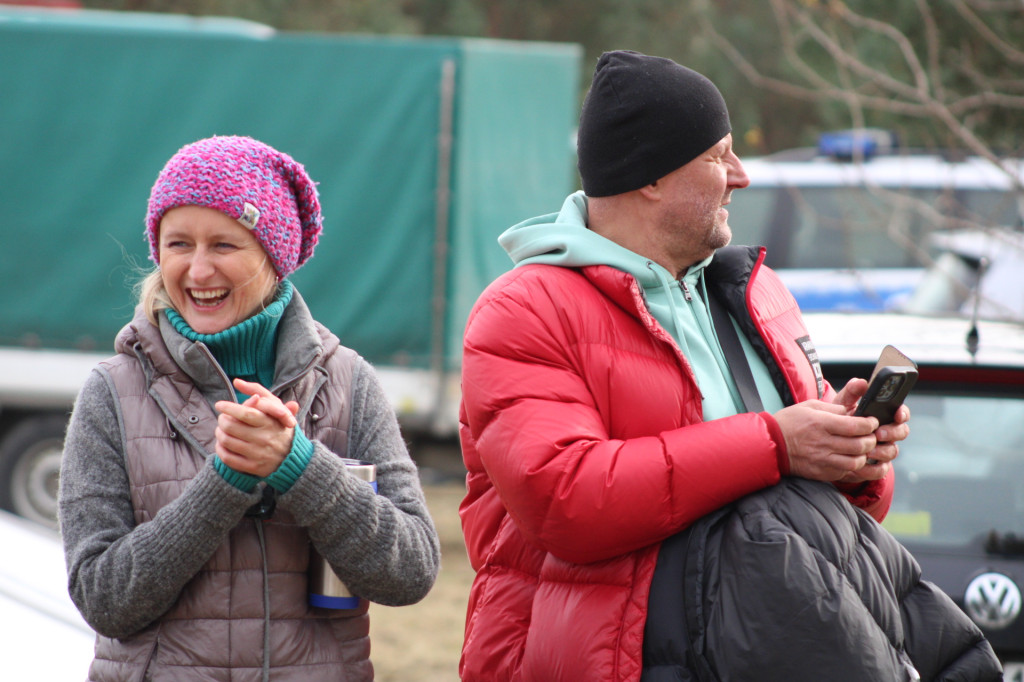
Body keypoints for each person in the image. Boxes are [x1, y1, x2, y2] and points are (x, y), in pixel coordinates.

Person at [457, 51, 1000, 681]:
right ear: (650, 178)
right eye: (719, 155)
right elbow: (566, 502)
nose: (741, 175)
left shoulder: (756, 293)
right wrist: (776, 443)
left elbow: (833, 515)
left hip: (762, 654)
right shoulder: (525, 311)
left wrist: (855, 456)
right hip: (595, 663)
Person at [59, 135, 440, 681]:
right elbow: (103, 599)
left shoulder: (349, 382)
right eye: (178, 244)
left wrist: (300, 468)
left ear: (273, 254)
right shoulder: (112, 392)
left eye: (224, 245)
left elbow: (411, 573)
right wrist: (225, 482)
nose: (197, 271)